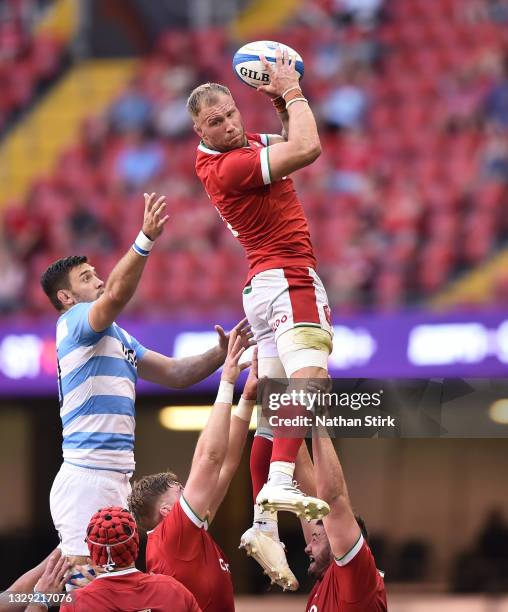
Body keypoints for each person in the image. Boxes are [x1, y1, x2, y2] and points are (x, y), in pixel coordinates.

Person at [39, 192, 252, 584]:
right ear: (66, 298)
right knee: (91, 592)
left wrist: (220, 354)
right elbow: (118, 293)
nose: (99, 280)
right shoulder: (75, 322)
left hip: (109, 477)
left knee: (62, 578)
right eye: (87, 278)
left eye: (96, 274)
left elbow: (175, 374)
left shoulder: (115, 335)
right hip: (89, 476)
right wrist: (145, 240)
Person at [187, 46, 333, 588]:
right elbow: (309, 146)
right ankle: (279, 482)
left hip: (262, 286)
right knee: (311, 378)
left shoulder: (240, 147)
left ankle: (264, 524)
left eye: (229, 114)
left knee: (273, 408)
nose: (226, 125)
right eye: (213, 122)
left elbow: (291, 137)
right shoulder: (230, 166)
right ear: (199, 130)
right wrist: (291, 89)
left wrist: (276, 99)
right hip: (288, 276)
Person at [128, 332, 258, 612]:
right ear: (166, 511)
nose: (191, 491)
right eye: (181, 492)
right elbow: (209, 459)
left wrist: (247, 399)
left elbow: (226, 464)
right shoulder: (174, 535)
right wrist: (227, 381)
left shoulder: (184, 537)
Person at [296, 436, 387, 611]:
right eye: (314, 539)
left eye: (315, 539)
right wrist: (288, 416)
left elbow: (333, 499)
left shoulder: (356, 578)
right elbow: (306, 496)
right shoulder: (330, 576)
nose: (307, 548)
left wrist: (318, 416)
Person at [58, 507, 200, 612]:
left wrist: (41, 599)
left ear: (91, 555)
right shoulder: (172, 589)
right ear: (136, 545)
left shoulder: (77, 603)